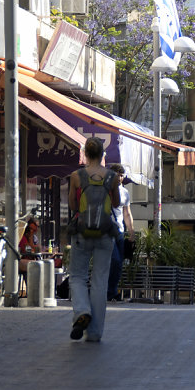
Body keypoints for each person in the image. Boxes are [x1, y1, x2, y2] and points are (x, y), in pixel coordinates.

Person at [67, 137, 120, 342]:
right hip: (105, 234)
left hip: (82, 232)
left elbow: (72, 204)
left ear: (85, 155)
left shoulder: (76, 176)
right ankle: (95, 333)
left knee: (78, 276)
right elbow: (115, 203)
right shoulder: (112, 177)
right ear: (102, 155)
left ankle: (81, 310)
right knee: (100, 281)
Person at [107, 163, 135, 302]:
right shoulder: (105, 190)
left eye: (122, 175)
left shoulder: (125, 192)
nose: (120, 178)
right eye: (117, 175)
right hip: (107, 231)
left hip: (120, 231)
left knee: (119, 264)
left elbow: (127, 213)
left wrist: (131, 232)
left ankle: (112, 291)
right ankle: (109, 290)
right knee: (115, 260)